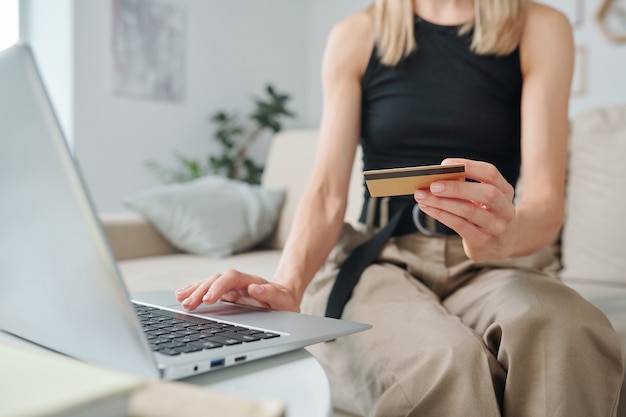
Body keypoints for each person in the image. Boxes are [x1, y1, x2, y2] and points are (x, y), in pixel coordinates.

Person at [175, 0, 624, 415]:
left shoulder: (541, 27)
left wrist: (503, 235)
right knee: (445, 361)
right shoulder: (357, 35)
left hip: (490, 261)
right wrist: (288, 284)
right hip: (380, 258)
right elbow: (328, 190)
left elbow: (545, 203)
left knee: (569, 331)